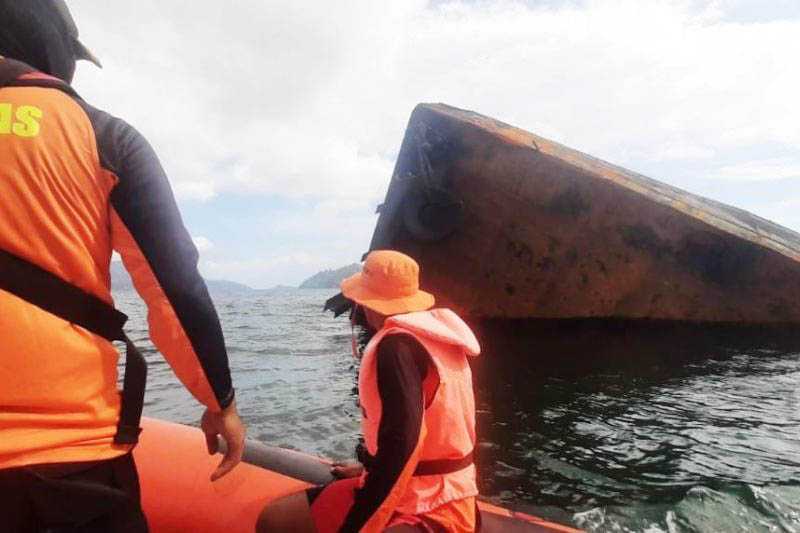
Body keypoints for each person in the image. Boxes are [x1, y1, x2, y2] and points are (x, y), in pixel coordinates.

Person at [0, 1, 245, 531]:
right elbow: (174, 286)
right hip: (69, 458)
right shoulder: (105, 136)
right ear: (52, 49)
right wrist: (219, 400)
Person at [258, 250, 481, 532]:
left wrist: (358, 524)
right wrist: (370, 467)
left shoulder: (395, 347)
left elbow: (402, 447)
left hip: (435, 502)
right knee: (275, 521)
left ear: (367, 302)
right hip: (416, 485)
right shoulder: (441, 339)